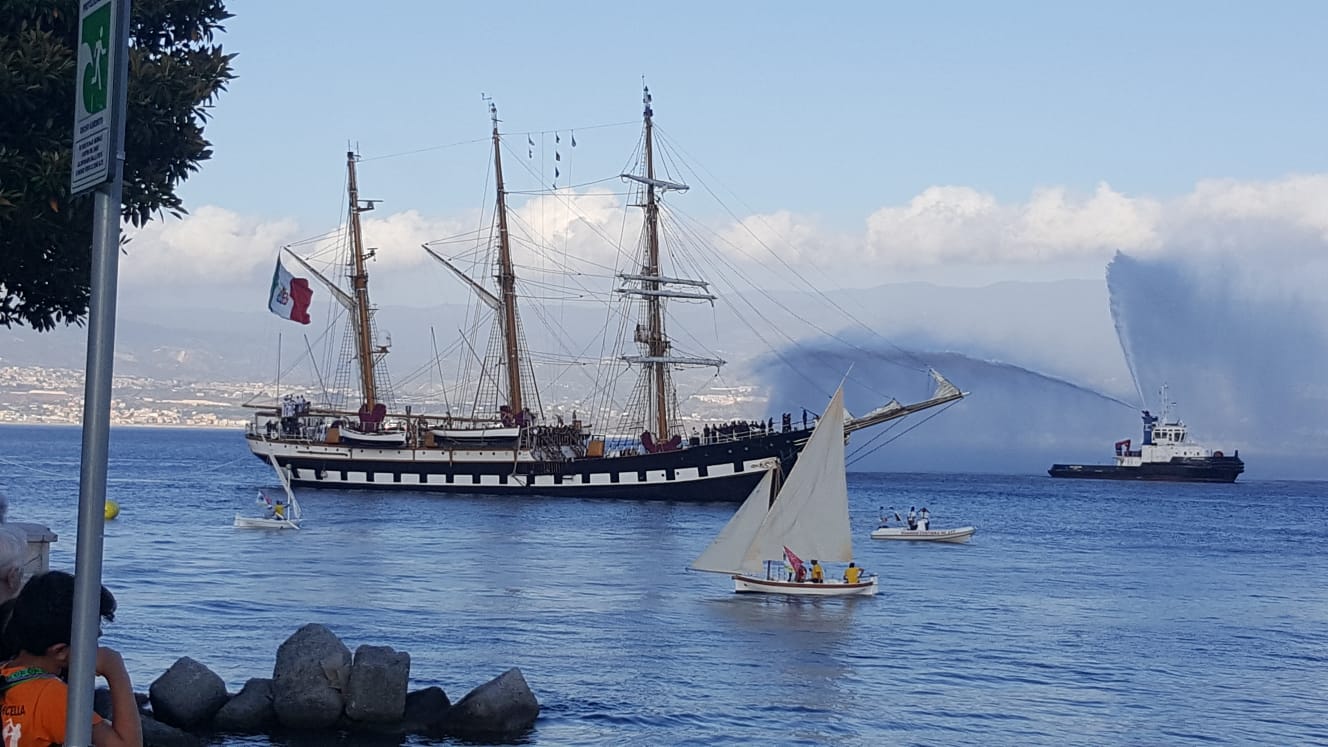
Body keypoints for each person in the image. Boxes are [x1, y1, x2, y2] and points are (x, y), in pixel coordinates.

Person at [0, 570, 142, 747]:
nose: (96, 647)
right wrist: (115, 669)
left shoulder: (5, 674)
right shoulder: (52, 696)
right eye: (93, 640)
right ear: (60, 651)